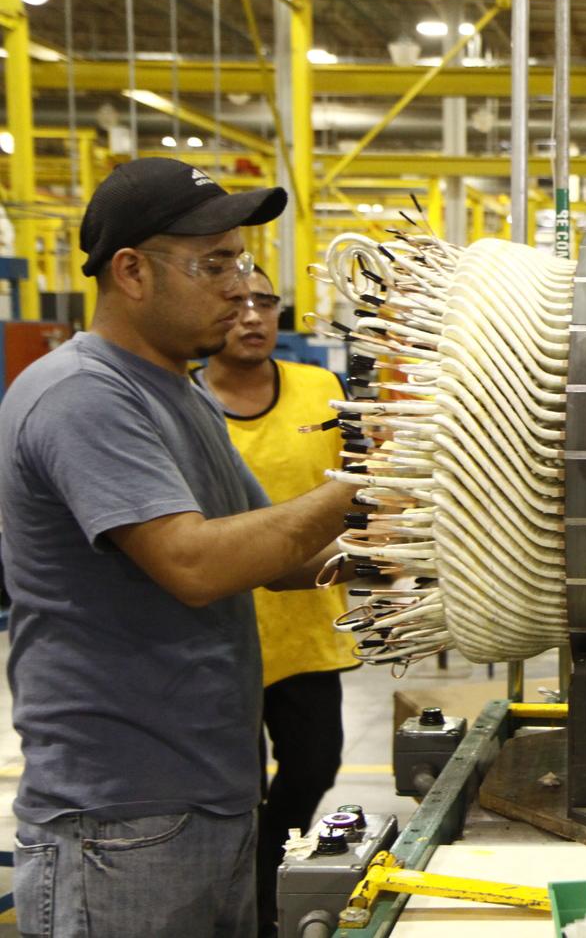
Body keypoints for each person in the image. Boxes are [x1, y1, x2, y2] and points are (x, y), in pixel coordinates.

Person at [0, 158, 358, 938]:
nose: (240, 287)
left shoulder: (183, 392)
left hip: (209, 799)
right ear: (132, 271)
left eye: (243, 261)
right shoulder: (83, 395)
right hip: (119, 818)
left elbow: (275, 553)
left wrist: (421, 545)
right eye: (215, 263)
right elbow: (194, 564)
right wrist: (362, 482)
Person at [191, 267, 356, 937]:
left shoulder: (319, 389)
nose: (253, 315)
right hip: (218, 634)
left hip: (306, 627)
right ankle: (249, 909)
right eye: (238, 302)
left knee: (315, 764)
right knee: (232, 788)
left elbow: (362, 481)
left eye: (266, 301)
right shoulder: (185, 403)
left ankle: (265, 875)